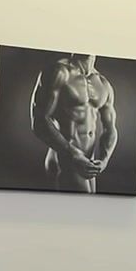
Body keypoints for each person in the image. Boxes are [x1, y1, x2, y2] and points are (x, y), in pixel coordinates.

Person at [29, 53, 118, 193]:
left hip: (88, 163)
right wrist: (73, 154)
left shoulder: (103, 83)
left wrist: (104, 160)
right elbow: (39, 121)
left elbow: (110, 129)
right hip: (65, 159)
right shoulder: (59, 72)